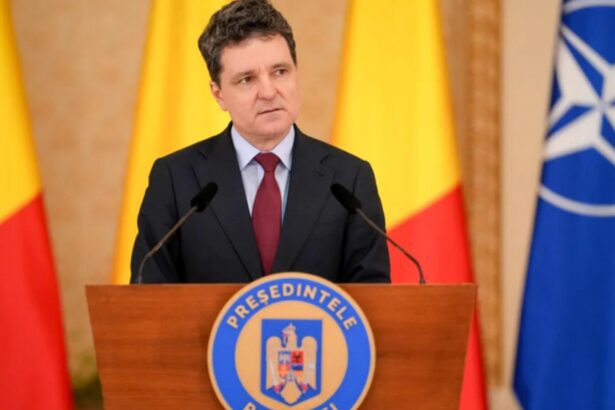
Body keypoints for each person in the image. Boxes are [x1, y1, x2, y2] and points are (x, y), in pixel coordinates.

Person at [130, 0, 389, 284]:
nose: (268, 92)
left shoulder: (350, 179)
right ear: (218, 94)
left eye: (280, 72)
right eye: (246, 79)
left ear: (296, 72)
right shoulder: (175, 179)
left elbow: (371, 299)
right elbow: (149, 295)